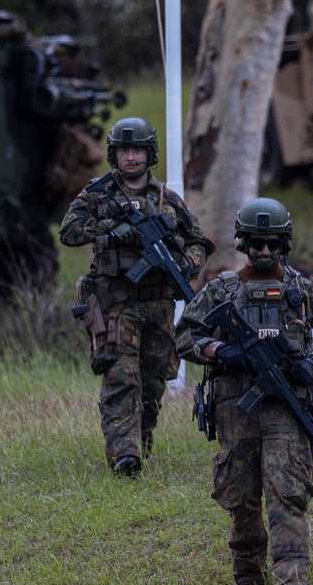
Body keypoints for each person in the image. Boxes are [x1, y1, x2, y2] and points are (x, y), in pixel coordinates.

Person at [174, 197, 313, 585]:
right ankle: (248, 578)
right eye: (256, 243)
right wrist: (220, 350)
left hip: (287, 408)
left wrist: (312, 362)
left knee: (286, 495)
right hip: (236, 412)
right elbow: (184, 336)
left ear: (283, 242)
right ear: (243, 242)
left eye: (271, 243)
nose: (264, 251)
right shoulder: (222, 289)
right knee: (242, 500)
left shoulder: (302, 291)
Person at [59, 116, 213, 476]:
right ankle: (124, 455)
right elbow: (69, 231)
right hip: (115, 302)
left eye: (138, 150)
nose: (131, 158)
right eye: (125, 150)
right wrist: (111, 230)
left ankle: (140, 443)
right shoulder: (97, 194)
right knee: (121, 376)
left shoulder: (167, 200)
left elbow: (200, 242)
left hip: (159, 305)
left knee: (153, 382)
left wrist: (185, 264)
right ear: (115, 154)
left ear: (149, 154)